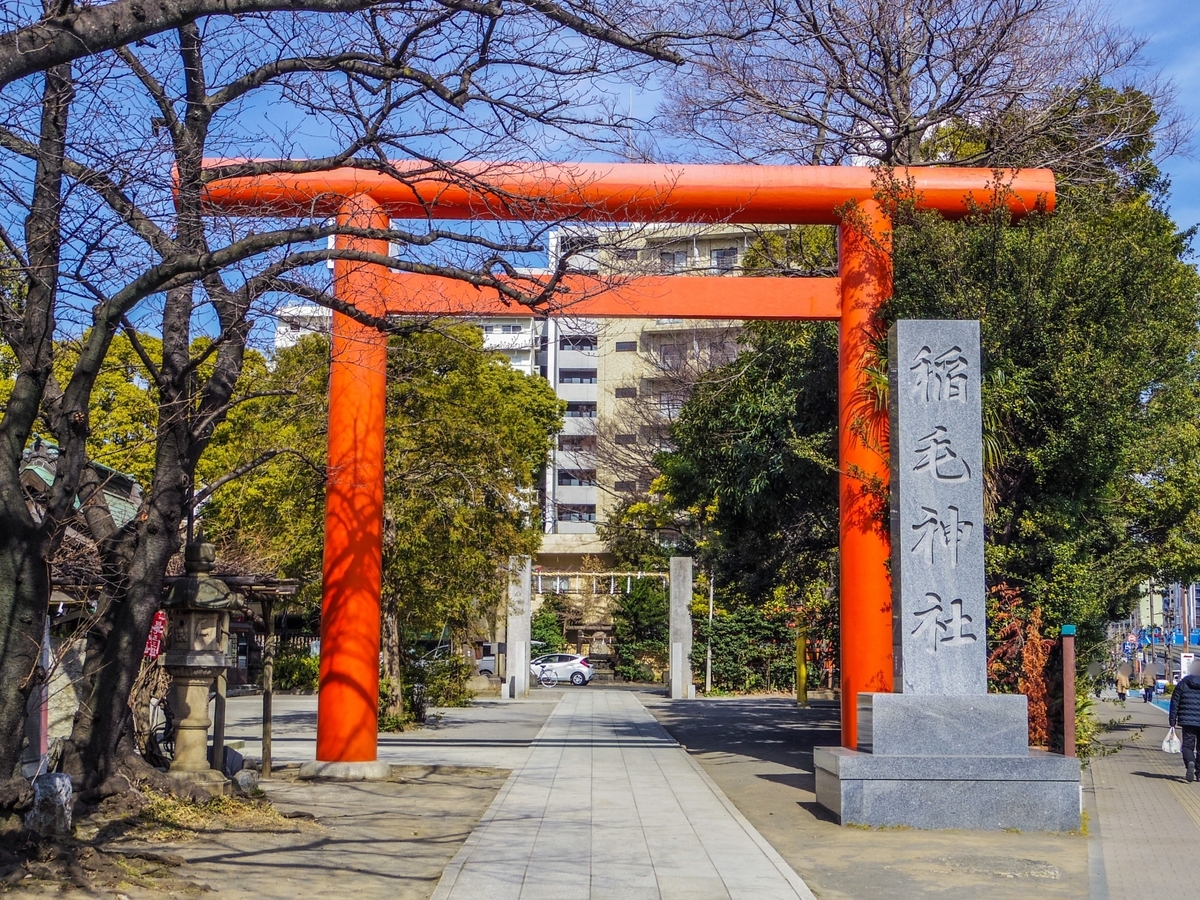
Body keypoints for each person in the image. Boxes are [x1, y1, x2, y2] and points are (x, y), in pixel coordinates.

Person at [1169, 659, 1200, 782]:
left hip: (1187, 721)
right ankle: (1199, 773)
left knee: (1187, 746)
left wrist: (1172, 720)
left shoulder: (1183, 683)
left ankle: (1190, 762)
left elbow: (1175, 702)